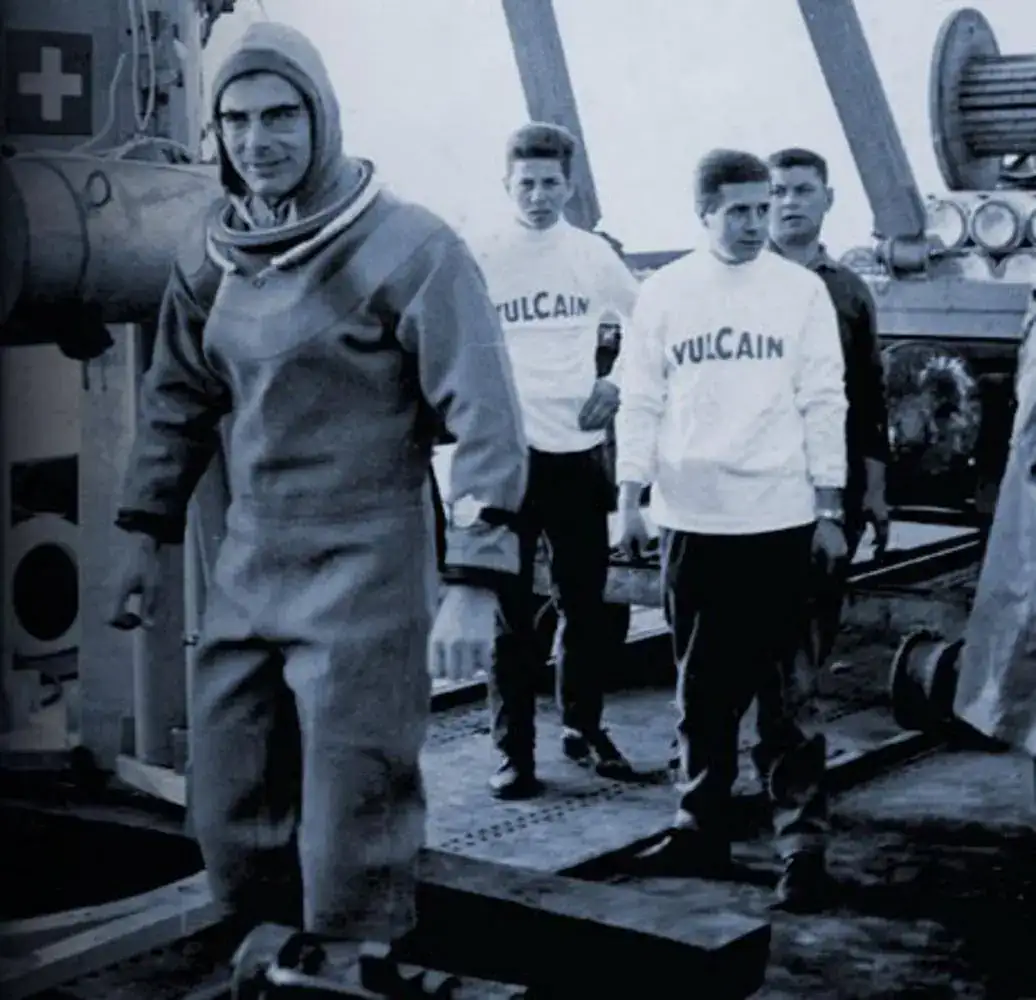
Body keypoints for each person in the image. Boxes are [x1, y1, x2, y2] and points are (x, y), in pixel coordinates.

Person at [108, 22, 529, 957]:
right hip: (252, 558)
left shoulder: (413, 247)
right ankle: (270, 958)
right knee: (230, 805)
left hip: (369, 563)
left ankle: (352, 966)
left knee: (352, 817)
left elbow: (488, 418)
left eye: (280, 116)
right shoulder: (211, 254)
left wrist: (474, 580)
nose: (257, 141)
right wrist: (142, 532)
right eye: (237, 121)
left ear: (322, 117)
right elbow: (177, 401)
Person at [615, 149, 848, 911]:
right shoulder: (665, 292)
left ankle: (801, 848)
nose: (756, 222)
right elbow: (640, 397)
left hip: (780, 520)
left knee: (789, 700)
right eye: (739, 210)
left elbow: (825, 399)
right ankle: (699, 828)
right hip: (693, 520)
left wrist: (829, 508)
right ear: (704, 212)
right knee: (700, 691)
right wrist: (629, 496)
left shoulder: (801, 291)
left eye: (763, 207)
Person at [469, 122, 641, 799]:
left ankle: (584, 727)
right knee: (511, 617)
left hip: (577, 453)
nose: (538, 196)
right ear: (506, 185)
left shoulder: (591, 254)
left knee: (586, 606)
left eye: (550, 183)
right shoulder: (482, 253)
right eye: (527, 184)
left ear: (570, 186)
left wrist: (616, 382)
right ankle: (513, 754)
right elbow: (453, 339)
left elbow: (649, 322)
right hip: (510, 459)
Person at [767, 147, 891, 671]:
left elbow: (869, 396)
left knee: (816, 609)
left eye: (803, 191)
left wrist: (875, 491)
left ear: (828, 199)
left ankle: (800, 701)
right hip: (758, 477)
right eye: (778, 192)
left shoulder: (849, 291)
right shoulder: (740, 282)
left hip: (833, 479)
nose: (789, 202)